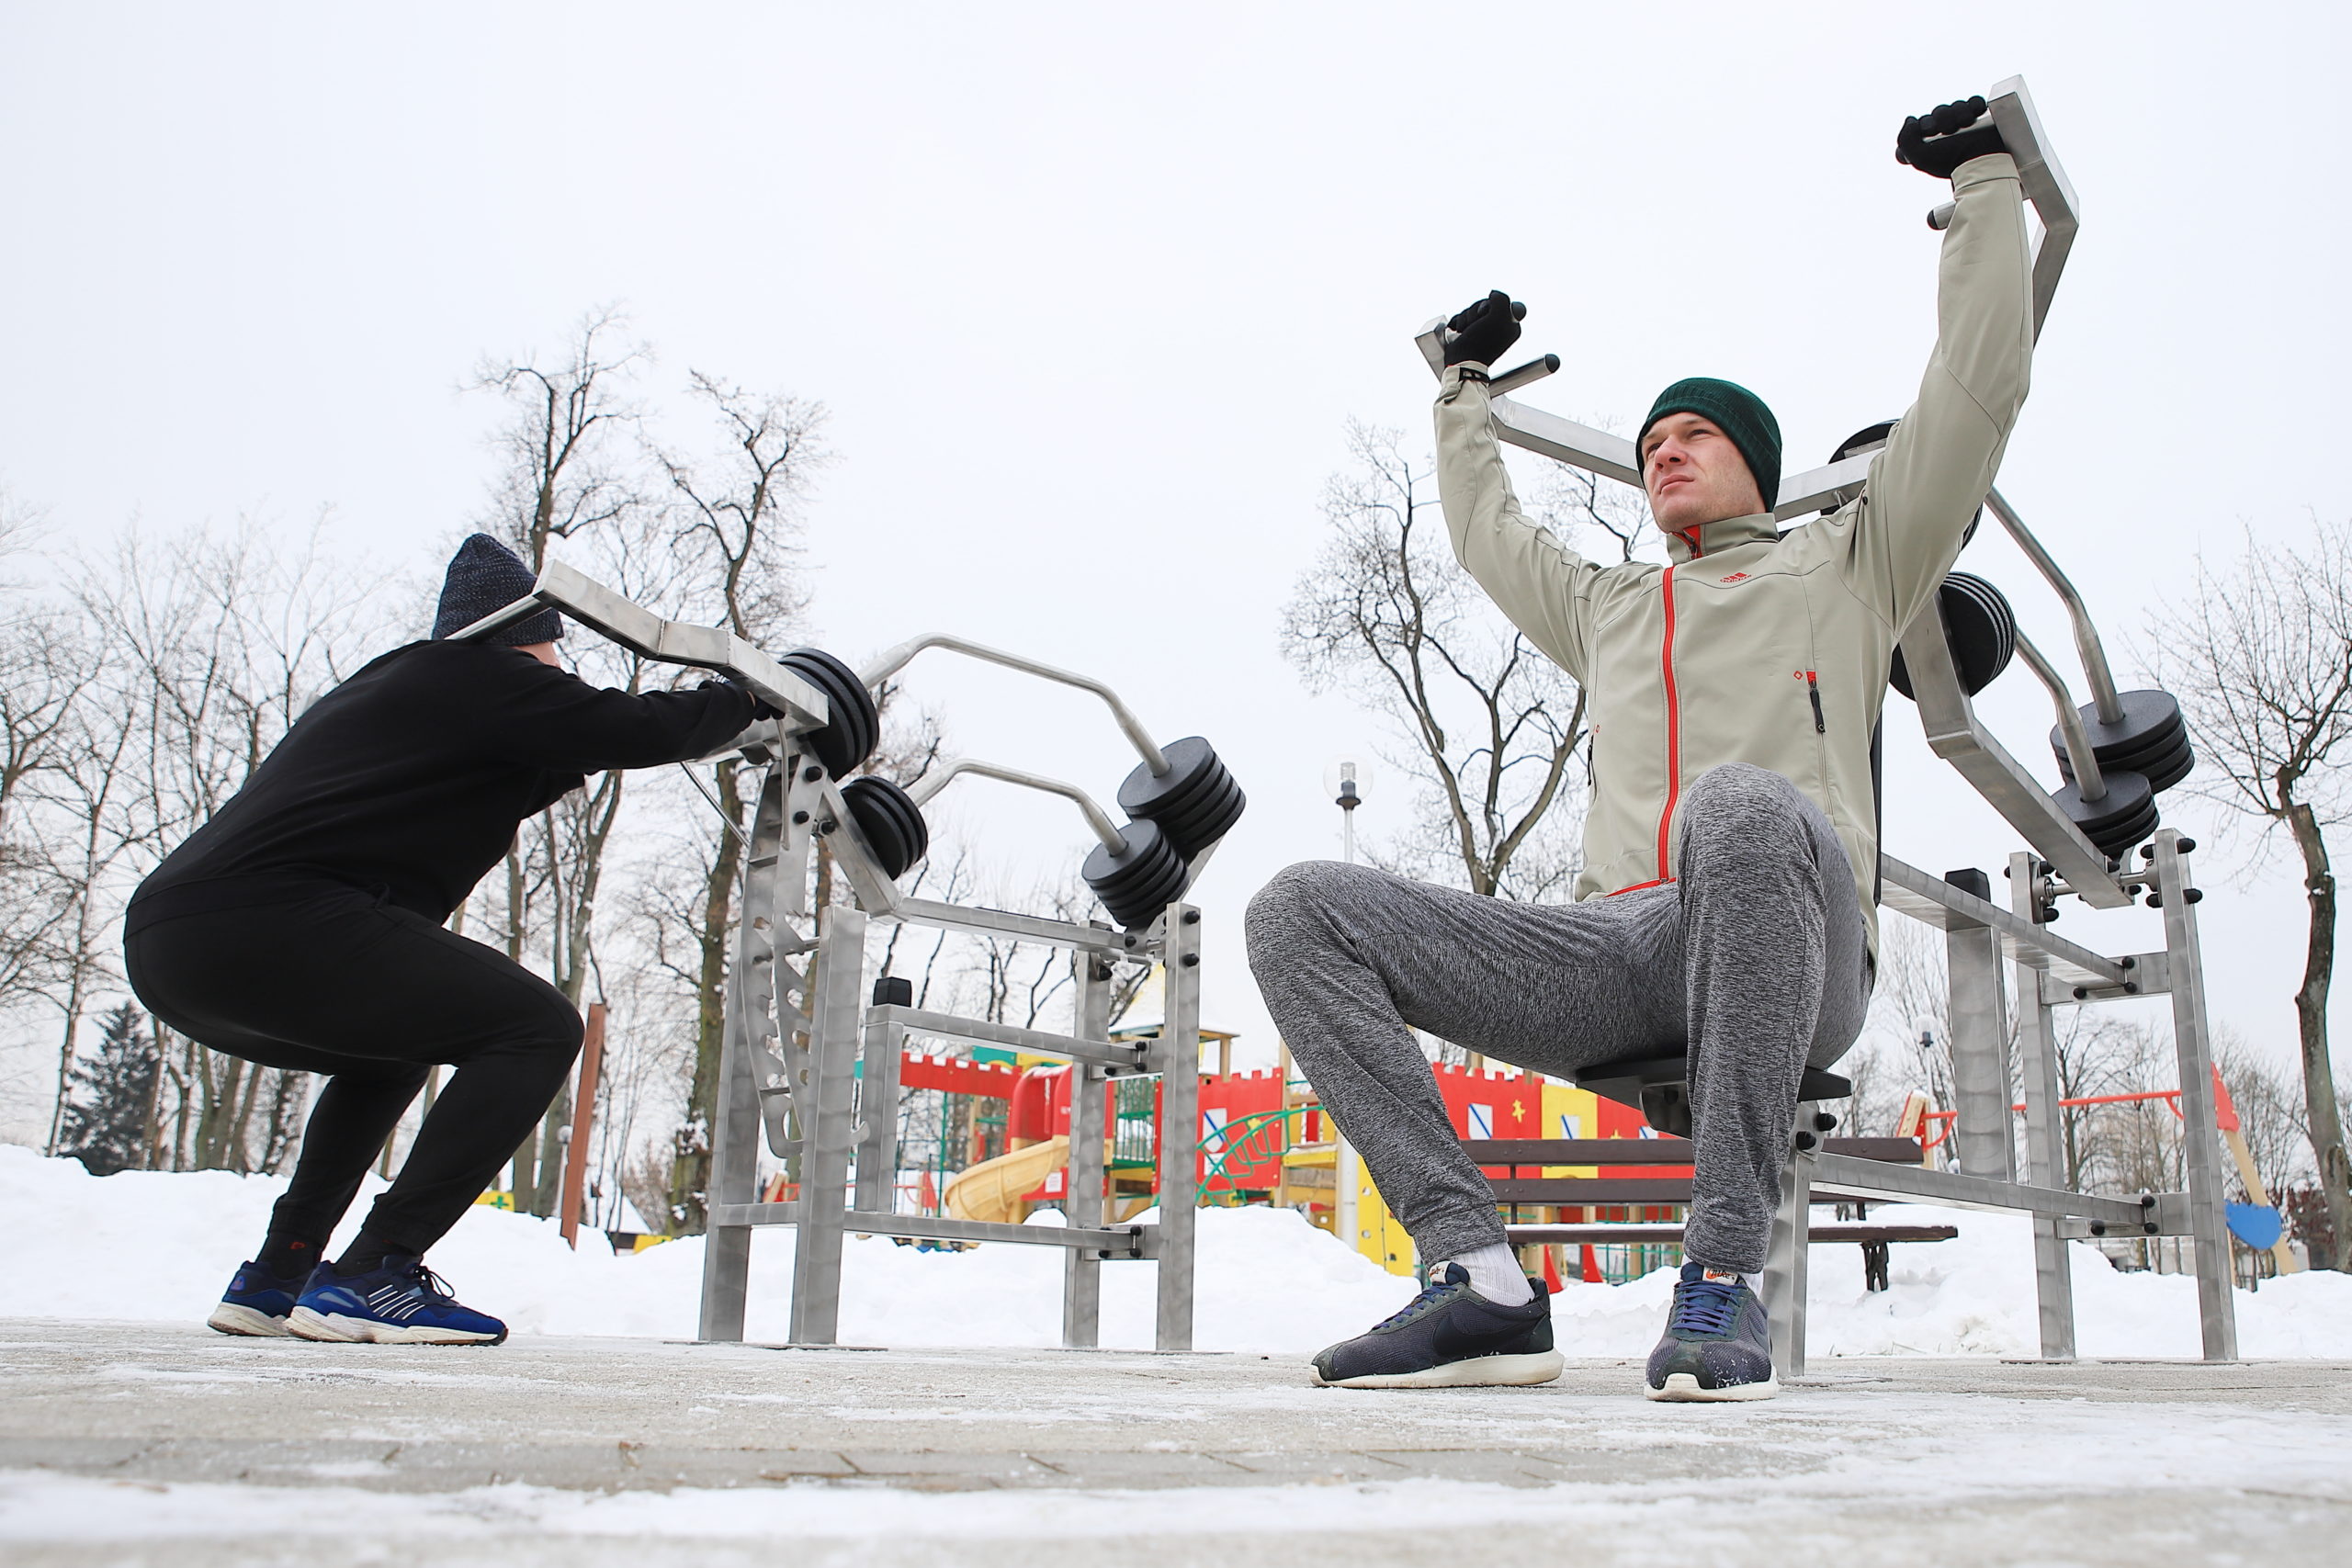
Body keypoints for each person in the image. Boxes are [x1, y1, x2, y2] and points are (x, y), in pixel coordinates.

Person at [1246, 97, 2030, 1399]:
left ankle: (1720, 1276)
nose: (1666, 454)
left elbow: (1972, 395)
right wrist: (1461, 392)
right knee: (1298, 910)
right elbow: (1489, 537)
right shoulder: (1613, 607)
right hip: (1617, 952)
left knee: (1737, 804)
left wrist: (1985, 192)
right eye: (1653, 443)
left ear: (1758, 467)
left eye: (1695, 438)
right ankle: (1478, 1278)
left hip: (1791, 928)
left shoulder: (1851, 561)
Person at [127, 535, 760, 1345]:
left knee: (389, 1053)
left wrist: (710, 730)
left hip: (174, 944)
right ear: (526, 638)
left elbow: (563, 754)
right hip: (272, 919)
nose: (561, 670)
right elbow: (627, 727)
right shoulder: (480, 674)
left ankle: (279, 1272)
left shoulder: (405, 689)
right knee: (537, 1026)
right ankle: (377, 1267)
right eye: (554, 653)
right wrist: (749, 699)